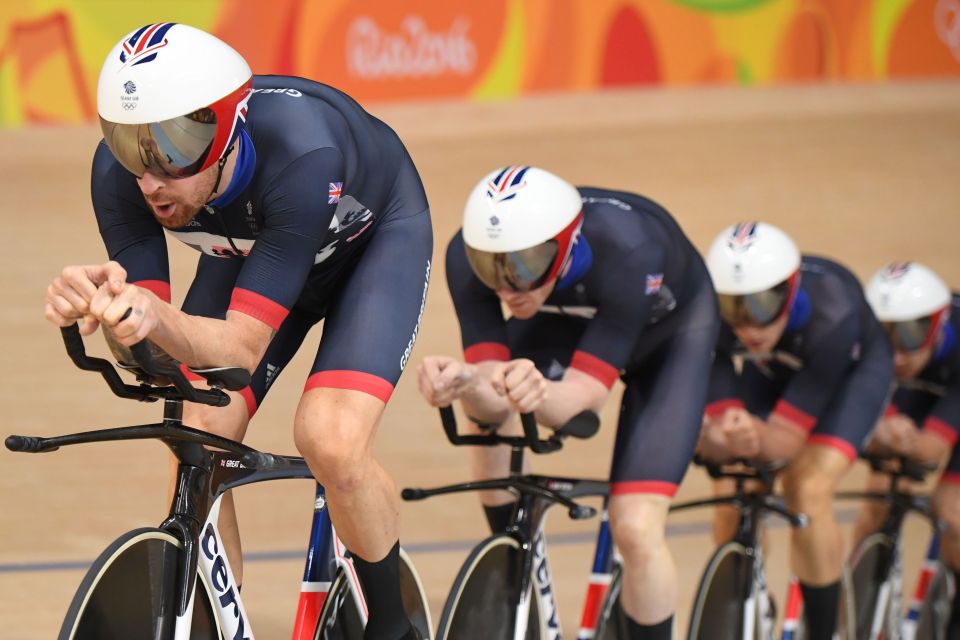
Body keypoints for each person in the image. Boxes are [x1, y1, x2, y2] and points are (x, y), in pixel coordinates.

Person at [43, 23, 431, 640]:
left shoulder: (304, 155)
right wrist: (107, 313)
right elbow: (150, 349)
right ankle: (219, 624)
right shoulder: (121, 177)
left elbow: (242, 351)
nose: (149, 179)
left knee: (329, 439)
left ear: (224, 131)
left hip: (371, 247)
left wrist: (155, 316)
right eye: (128, 144)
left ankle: (394, 627)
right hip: (252, 253)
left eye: (172, 148)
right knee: (196, 431)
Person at [417, 165, 719, 639]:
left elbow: (579, 406)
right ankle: (510, 551)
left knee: (636, 528)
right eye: (490, 266)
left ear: (569, 244)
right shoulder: (469, 258)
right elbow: (492, 402)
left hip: (669, 335)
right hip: (565, 315)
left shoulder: (631, 249)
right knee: (487, 419)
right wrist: (467, 383)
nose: (506, 287)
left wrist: (536, 394)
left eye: (524, 264)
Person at [697, 221, 894, 640]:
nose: (747, 326)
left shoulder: (834, 313)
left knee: (806, 489)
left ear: (790, 291)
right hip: (770, 369)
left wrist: (753, 436)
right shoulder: (721, 318)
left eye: (761, 307)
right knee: (734, 491)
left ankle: (824, 630)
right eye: (733, 309)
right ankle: (750, 604)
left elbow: (783, 443)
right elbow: (718, 388)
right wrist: (731, 427)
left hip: (848, 378)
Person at [851, 261, 960, 634]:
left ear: (939, 324)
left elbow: (929, 450)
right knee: (878, 498)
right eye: (886, 337)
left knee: (952, 512)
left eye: (911, 336)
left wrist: (890, 434)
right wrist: (886, 430)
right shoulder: (888, 354)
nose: (897, 355)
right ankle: (853, 613)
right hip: (921, 390)